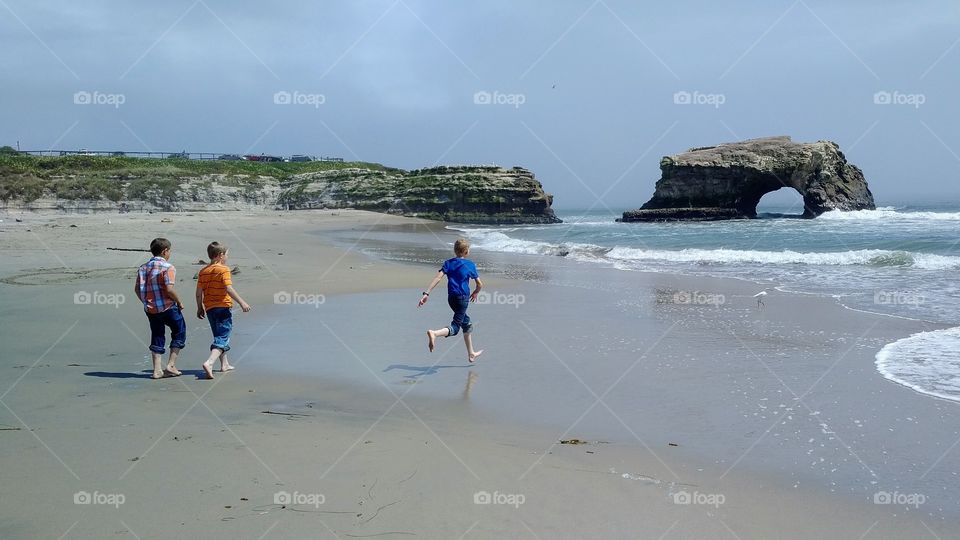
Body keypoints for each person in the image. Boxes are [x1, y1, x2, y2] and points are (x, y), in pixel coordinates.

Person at [418, 238, 484, 362]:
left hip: (451, 299)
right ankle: (435, 333)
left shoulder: (448, 263)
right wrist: (475, 293)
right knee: (455, 329)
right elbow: (480, 284)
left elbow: (438, 278)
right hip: (462, 299)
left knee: (467, 324)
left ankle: (471, 353)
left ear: (455, 250)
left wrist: (427, 293)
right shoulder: (470, 265)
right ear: (466, 251)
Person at [195, 242, 251, 379]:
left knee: (218, 335)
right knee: (223, 336)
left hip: (209, 308)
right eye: (227, 255)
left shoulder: (203, 271)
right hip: (222, 307)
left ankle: (224, 364)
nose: (227, 258)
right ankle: (209, 362)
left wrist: (199, 307)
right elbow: (228, 288)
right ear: (220, 255)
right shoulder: (223, 269)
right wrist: (242, 302)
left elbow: (198, 292)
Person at [135, 238, 186, 379]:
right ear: (165, 251)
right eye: (169, 251)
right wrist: (179, 301)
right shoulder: (168, 267)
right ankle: (171, 365)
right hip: (167, 307)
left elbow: (137, 289)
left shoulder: (143, 268)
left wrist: (145, 301)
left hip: (151, 309)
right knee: (179, 331)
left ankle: (157, 370)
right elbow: (169, 289)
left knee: (157, 335)